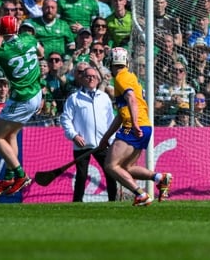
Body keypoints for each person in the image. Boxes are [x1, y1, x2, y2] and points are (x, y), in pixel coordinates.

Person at [98, 47, 173, 206]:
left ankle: (141, 195)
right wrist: (105, 138)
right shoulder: (130, 77)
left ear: (110, 62)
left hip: (133, 125)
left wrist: (135, 125)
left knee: (111, 165)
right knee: (126, 167)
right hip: (144, 125)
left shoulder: (120, 78)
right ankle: (160, 178)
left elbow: (131, 99)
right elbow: (121, 114)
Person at [0, 15, 45, 197]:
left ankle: (21, 175)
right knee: (11, 134)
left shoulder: (1, 52)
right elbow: (41, 53)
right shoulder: (29, 38)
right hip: (36, 93)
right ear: (18, 27)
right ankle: (10, 175)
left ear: (2, 31)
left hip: (21, 98)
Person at [59, 66, 118, 202]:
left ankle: (113, 202)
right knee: (81, 175)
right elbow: (65, 118)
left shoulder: (104, 98)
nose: (91, 78)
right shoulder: (74, 98)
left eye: (94, 76)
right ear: (82, 79)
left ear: (98, 80)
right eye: (88, 76)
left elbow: (110, 120)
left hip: (102, 144)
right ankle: (77, 203)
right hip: (82, 144)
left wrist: (112, 139)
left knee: (110, 173)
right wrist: (74, 135)